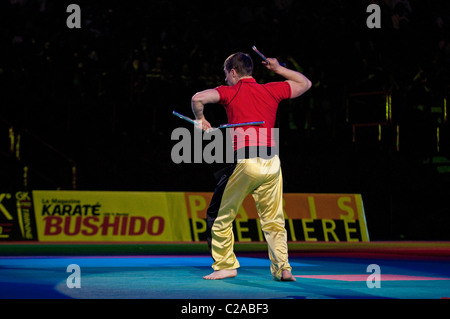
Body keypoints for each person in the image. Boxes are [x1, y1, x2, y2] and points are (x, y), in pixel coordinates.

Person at [191, 52, 311, 281]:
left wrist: (200, 120)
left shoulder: (230, 91)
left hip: (246, 162)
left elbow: (197, 98)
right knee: (274, 219)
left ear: (233, 72)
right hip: (272, 162)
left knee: (219, 216)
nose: (225, 79)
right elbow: (305, 83)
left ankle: (225, 265)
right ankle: (283, 268)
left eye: (226, 74)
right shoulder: (270, 89)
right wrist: (279, 69)